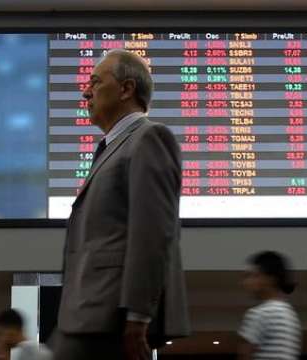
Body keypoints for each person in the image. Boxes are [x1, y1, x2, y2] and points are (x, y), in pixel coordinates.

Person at [50, 49, 190, 360]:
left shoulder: (150, 138)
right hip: (88, 315)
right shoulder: (112, 147)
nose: (86, 91)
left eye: (95, 82)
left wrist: (138, 317)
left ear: (126, 89)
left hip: (111, 319)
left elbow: (153, 234)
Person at [237, 251, 301, 360]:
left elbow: (245, 356)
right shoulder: (291, 315)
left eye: (252, 276)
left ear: (270, 279)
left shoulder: (259, 314)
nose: (245, 283)